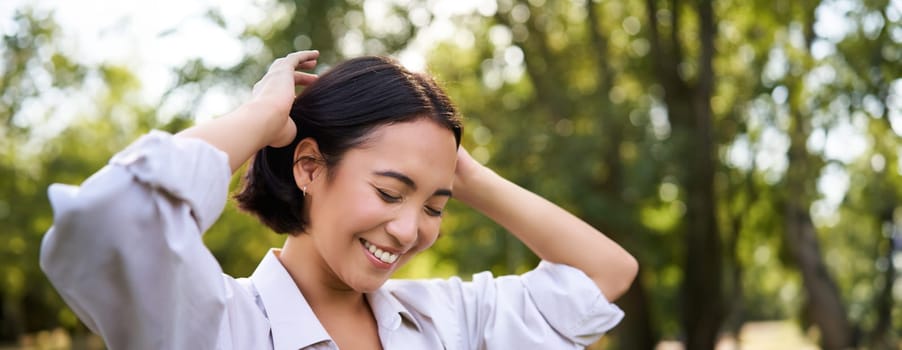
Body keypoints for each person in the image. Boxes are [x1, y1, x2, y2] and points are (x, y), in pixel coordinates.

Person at [40, 50, 638, 349]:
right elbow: (108, 218)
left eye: (434, 206)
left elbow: (605, 273)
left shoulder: (444, 323)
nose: (409, 230)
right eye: (389, 191)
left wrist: (467, 176)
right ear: (308, 166)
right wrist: (259, 117)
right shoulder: (214, 324)